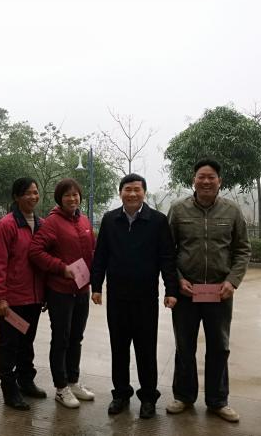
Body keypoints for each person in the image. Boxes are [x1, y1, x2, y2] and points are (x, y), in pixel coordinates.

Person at [166, 159, 251, 423]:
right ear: (193, 180)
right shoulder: (178, 209)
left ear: (219, 181)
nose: (206, 181)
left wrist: (232, 281)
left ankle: (218, 401)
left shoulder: (232, 211)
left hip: (219, 292)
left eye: (211, 177)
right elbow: (167, 251)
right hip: (187, 292)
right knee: (184, 346)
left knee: (219, 347)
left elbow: (242, 249)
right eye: (201, 176)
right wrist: (178, 280)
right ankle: (183, 396)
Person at [90, 173, 179, 419]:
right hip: (117, 298)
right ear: (120, 193)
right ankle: (120, 394)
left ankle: (148, 397)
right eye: (127, 189)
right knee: (118, 348)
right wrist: (96, 286)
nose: (132, 194)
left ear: (144, 193)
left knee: (146, 349)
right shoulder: (110, 220)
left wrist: (171, 290)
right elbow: (101, 255)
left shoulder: (158, 221)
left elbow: (167, 258)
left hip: (145, 298)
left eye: (136, 190)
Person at [29, 178, 96, 409]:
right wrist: (61, 268)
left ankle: (73, 381)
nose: (72, 198)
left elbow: (92, 250)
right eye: (67, 195)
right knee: (61, 338)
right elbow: (35, 251)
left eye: (75, 194)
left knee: (76, 337)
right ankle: (61, 387)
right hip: (60, 292)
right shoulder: (52, 223)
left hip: (82, 290)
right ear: (60, 198)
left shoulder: (84, 220)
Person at [0, 177, 47, 411]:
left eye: (35, 192)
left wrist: (44, 293)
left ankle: (26, 381)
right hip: (13, 300)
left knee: (27, 342)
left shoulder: (41, 224)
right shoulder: (7, 225)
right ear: (16, 197)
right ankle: (9, 389)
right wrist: (0, 297)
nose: (33, 197)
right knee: (9, 345)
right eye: (28, 193)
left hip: (34, 299)